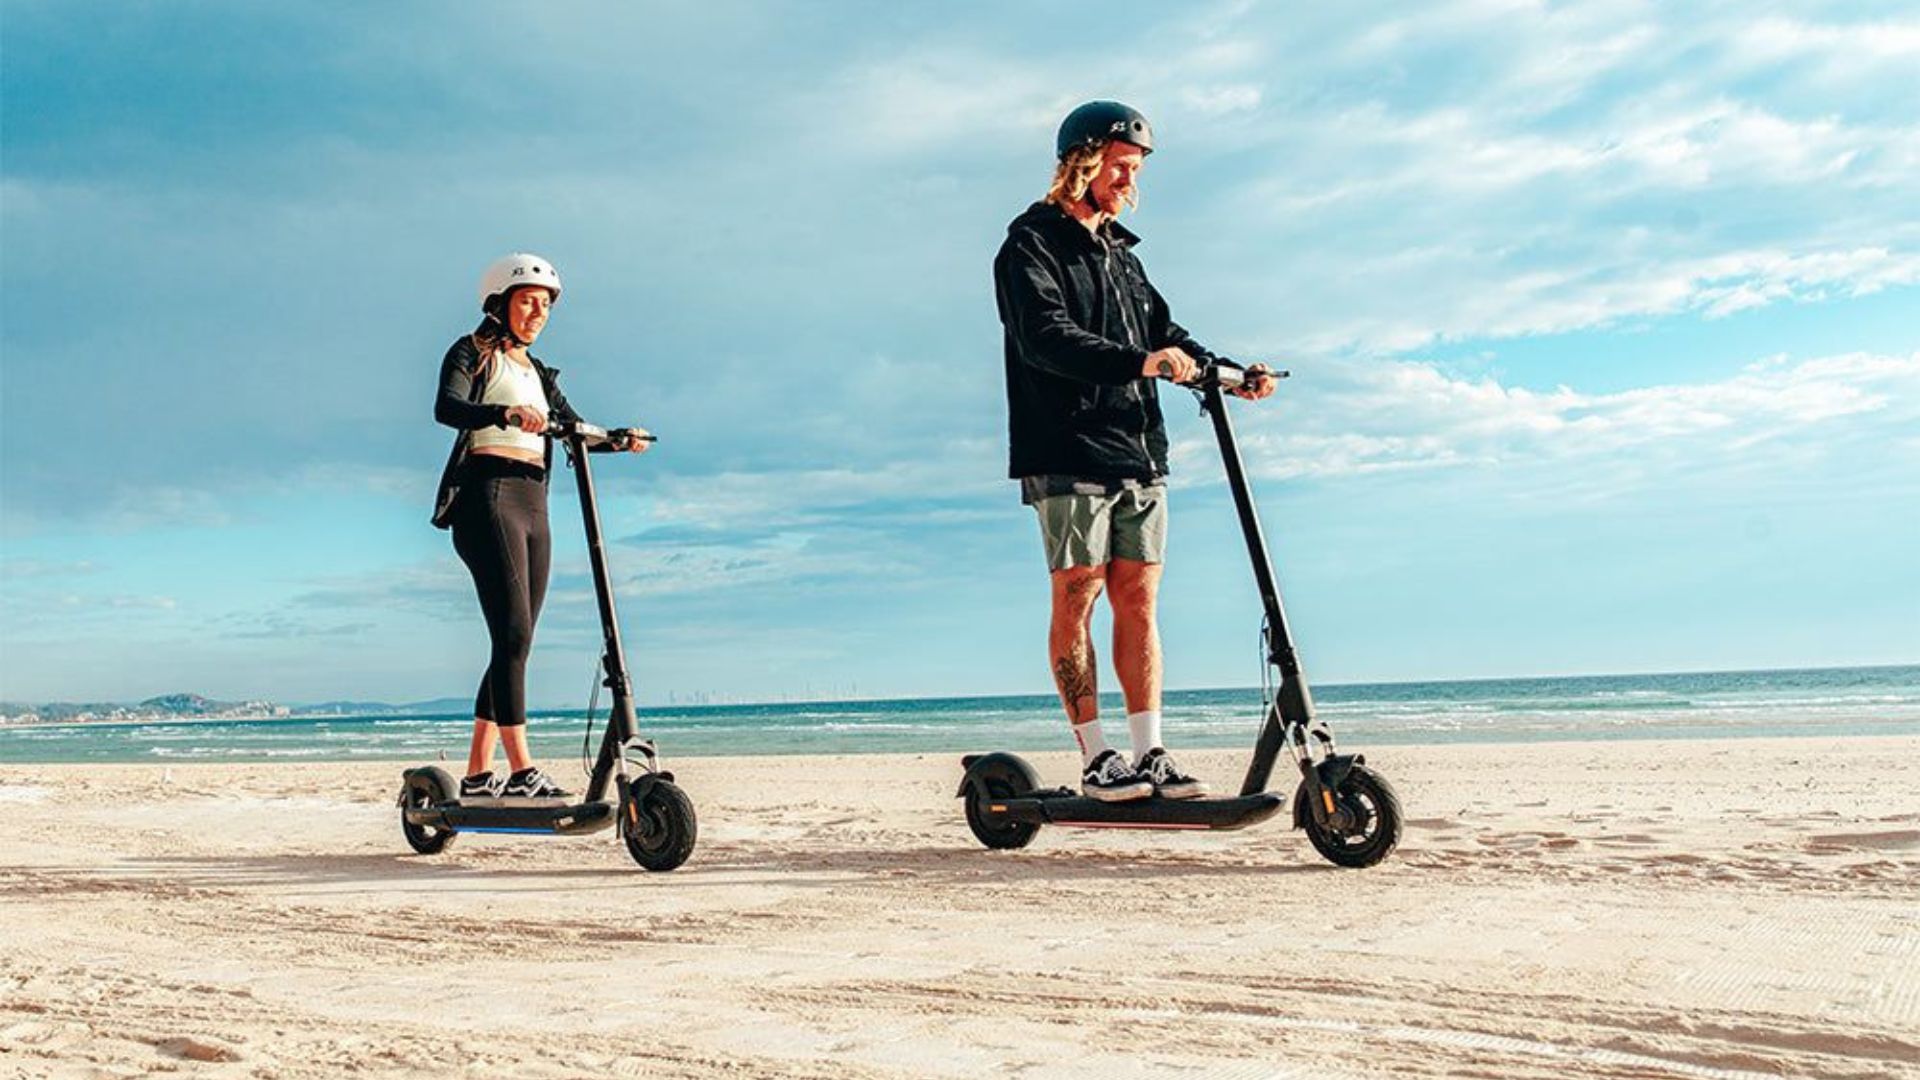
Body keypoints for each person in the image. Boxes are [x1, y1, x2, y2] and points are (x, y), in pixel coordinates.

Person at [993, 102, 1278, 803]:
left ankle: (1150, 752)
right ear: (1082, 162)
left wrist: (1228, 372)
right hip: (1065, 447)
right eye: (1121, 166)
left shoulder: (1122, 254)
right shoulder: (1030, 244)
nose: (1130, 180)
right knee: (1078, 591)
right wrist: (1142, 363)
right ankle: (1098, 757)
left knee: (1139, 600)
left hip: (1137, 448)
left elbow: (1165, 331)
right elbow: (1046, 338)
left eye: (1137, 169)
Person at [431, 253, 650, 803]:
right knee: (514, 635)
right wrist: (503, 415)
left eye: (546, 304)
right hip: (489, 496)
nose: (538, 312)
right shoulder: (472, 353)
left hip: (535, 501)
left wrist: (617, 437)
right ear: (499, 301)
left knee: (515, 642)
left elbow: (574, 427)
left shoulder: (539, 374)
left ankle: (478, 774)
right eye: (528, 300)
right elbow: (448, 408)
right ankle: (522, 767)